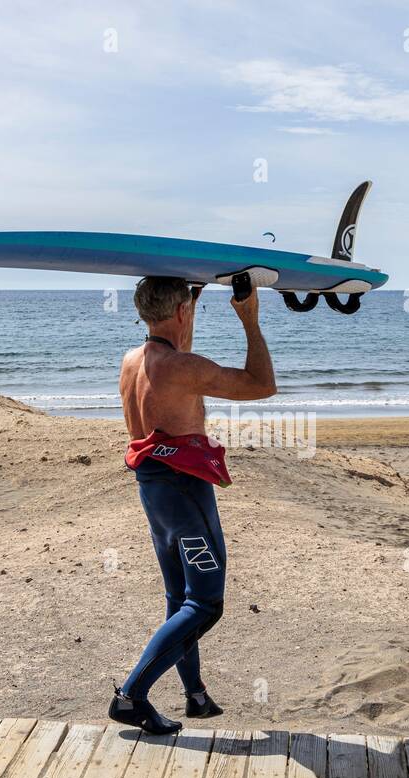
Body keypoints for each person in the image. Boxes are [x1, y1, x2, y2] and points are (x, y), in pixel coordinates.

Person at [109, 276, 277, 734]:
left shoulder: (132, 362)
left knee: (178, 597)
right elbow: (263, 384)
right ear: (181, 312)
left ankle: (195, 694)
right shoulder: (182, 368)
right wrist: (250, 321)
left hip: (153, 489)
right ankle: (131, 696)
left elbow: (176, 354)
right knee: (205, 604)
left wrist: (192, 300)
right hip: (185, 490)